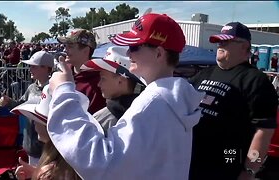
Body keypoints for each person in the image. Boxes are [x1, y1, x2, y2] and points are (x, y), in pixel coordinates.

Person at [47, 13, 204, 179]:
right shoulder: (174, 99)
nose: (128, 53)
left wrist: (62, 91)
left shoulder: (152, 103)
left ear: (159, 54)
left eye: (135, 47)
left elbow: (102, 164)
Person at [188, 22, 278, 180]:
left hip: (226, 165)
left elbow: (264, 132)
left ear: (244, 47)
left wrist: (250, 170)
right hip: (190, 162)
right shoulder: (204, 74)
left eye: (226, 41)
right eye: (219, 41)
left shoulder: (256, 81)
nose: (220, 45)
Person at [11, 85, 82, 180]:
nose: (34, 123)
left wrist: (39, 174)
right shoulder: (67, 161)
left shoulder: (51, 172)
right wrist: (35, 172)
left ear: (48, 126)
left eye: (36, 119)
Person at [0, 51, 54, 167]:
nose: (30, 69)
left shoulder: (53, 89)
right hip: (31, 145)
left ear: (46, 68)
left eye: (34, 67)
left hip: (47, 149)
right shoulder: (31, 88)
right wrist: (9, 102)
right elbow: (22, 105)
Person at [81, 46, 145, 133]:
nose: (99, 84)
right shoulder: (150, 110)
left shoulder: (100, 122)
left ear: (120, 81)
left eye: (103, 79)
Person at [57, 28, 106, 114]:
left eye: (70, 46)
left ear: (85, 51)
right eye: (65, 46)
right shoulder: (63, 73)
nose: (65, 50)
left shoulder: (99, 83)